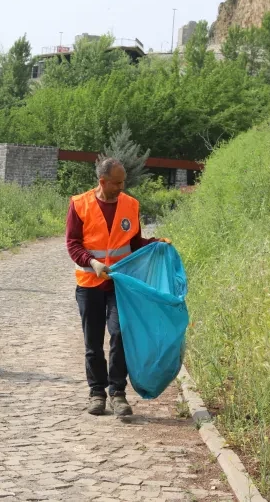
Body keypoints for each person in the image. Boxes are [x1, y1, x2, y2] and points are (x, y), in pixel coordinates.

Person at [66, 157, 169, 417]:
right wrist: (92, 262)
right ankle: (97, 393)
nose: (122, 186)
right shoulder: (79, 204)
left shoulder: (131, 205)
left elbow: (133, 243)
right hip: (89, 284)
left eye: (123, 181)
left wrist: (156, 244)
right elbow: (73, 244)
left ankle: (117, 392)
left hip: (119, 285)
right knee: (92, 343)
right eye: (118, 182)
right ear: (103, 181)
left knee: (120, 334)